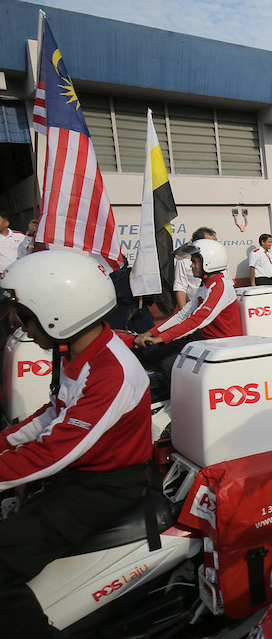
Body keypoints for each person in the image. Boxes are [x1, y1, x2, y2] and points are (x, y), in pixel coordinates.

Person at [0, 250, 152, 638]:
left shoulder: (110, 371)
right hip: (82, 474)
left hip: (104, 487)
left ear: (58, 312)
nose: (23, 327)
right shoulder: (84, 353)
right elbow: (54, 414)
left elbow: (56, 450)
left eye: (28, 317)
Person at [134, 239, 241, 372]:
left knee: (168, 365)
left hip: (221, 345)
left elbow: (197, 320)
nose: (191, 266)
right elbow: (182, 314)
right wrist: (150, 333)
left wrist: (158, 339)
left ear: (209, 262)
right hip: (204, 341)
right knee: (152, 356)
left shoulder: (221, 286)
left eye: (194, 262)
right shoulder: (205, 286)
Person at [173, 226, 218, 309]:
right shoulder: (184, 259)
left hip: (215, 307)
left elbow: (227, 281)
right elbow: (180, 286)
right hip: (194, 308)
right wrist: (184, 314)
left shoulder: (219, 258)